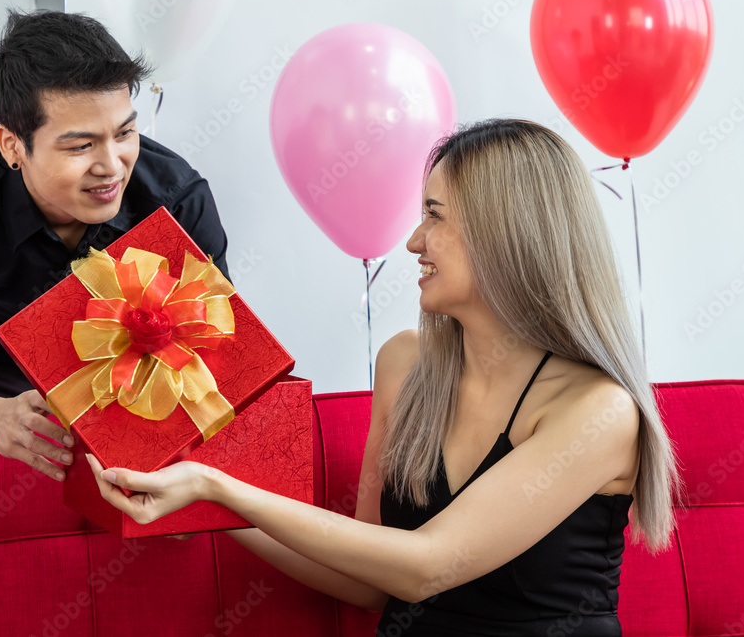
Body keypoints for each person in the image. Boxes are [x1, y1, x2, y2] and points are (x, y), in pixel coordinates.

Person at [83, 119, 682, 635]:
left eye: (435, 217)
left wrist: (219, 488)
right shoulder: (405, 363)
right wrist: (197, 502)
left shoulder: (598, 410)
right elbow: (369, 581)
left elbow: (428, 566)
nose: (413, 241)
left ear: (508, 232)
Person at [0, 9, 231, 484]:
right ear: (12, 146)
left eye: (124, 133)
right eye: (80, 146)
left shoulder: (176, 200)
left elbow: (222, 358)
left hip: (136, 398)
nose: (112, 167)